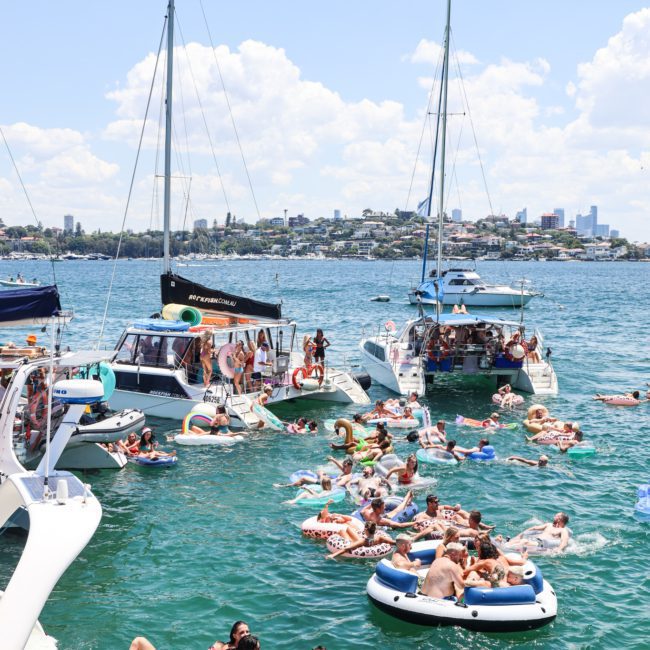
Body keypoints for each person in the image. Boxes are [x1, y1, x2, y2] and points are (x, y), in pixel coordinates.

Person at [498, 512, 571, 553]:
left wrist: (559, 550)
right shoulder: (548, 525)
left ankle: (504, 549)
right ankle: (503, 544)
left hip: (542, 544)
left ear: (560, 519)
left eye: (556, 515)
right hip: (535, 540)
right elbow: (534, 528)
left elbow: (564, 542)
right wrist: (519, 535)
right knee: (519, 540)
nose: (554, 516)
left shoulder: (563, 530)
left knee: (524, 541)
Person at [326, 520, 394, 560]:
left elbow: (347, 548)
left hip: (352, 542)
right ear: (375, 530)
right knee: (348, 529)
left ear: (365, 530)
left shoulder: (363, 541)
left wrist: (333, 555)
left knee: (342, 531)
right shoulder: (380, 538)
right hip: (365, 543)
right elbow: (393, 542)